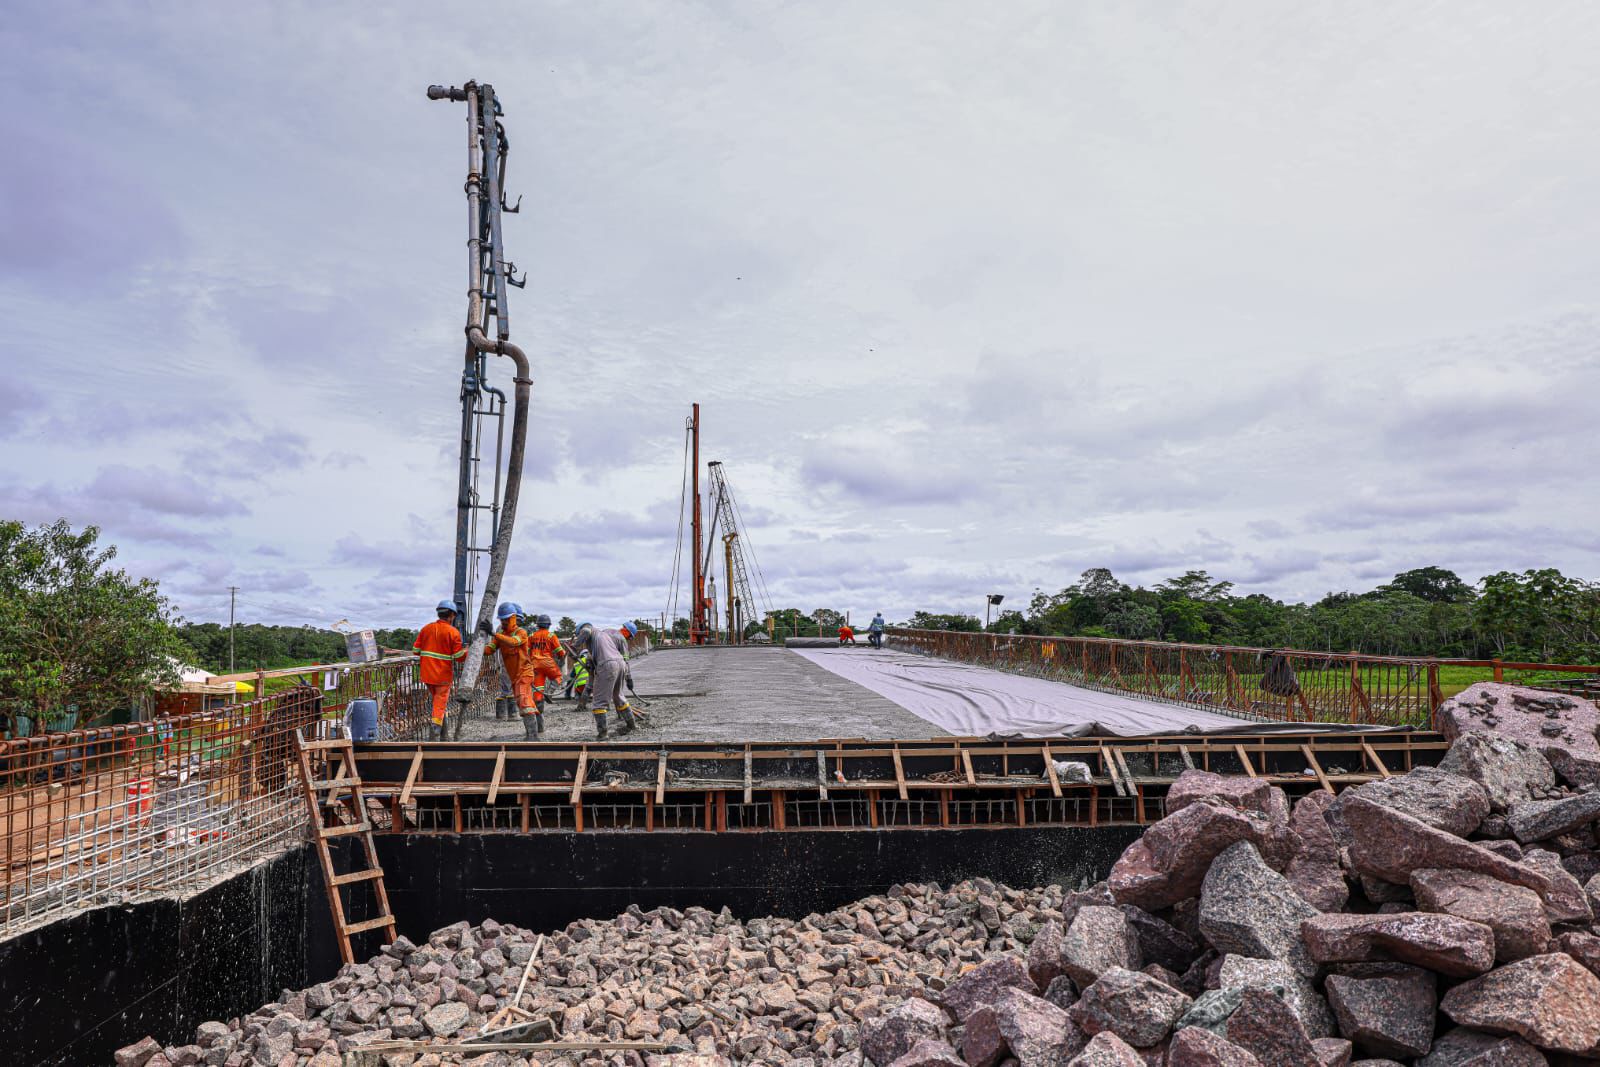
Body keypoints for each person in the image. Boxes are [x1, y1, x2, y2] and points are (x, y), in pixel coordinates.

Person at [568, 621, 638, 739]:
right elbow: (593, 655)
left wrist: (574, 647)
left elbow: (585, 631)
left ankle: (603, 734)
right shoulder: (600, 636)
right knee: (618, 697)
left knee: (599, 703)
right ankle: (631, 725)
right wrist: (590, 663)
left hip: (607, 665)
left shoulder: (589, 629)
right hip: (620, 664)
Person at [413, 600, 466, 741]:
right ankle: (434, 737)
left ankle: (444, 737)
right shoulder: (453, 632)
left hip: (427, 675)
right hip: (442, 676)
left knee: (439, 704)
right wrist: (468, 651)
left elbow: (416, 651)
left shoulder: (426, 628)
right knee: (439, 704)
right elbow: (459, 657)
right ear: (452, 615)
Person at [480, 602, 536, 737]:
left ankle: (533, 736)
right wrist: (474, 649)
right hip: (515, 676)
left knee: (524, 700)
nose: (504, 622)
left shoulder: (521, 632)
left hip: (524, 672)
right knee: (524, 701)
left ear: (513, 618)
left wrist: (493, 633)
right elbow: (489, 650)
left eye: (506, 619)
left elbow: (513, 642)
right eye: (502, 619)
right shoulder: (501, 635)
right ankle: (537, 728)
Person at [523, 613, 566, 735]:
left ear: (538, 625)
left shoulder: (532, 635)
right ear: (548, 625)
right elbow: (560, 651)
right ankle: (550, 693)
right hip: (547, 663)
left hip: (535, 665)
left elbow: (526, 651)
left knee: (538, 692)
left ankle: (539, 726)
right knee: (558, 677)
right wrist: (563, 656)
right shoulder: (551, 635)